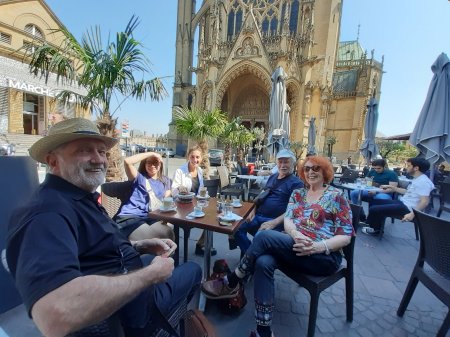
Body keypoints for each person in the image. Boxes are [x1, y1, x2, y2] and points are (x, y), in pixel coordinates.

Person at [6, 118, 201, 337]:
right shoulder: (45, 213)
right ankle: (168, 327)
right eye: (84, 150)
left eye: (102, 152)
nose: (98, 159)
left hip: (127, 278)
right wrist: (150, 275)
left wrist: (138, 245)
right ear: (53, 162)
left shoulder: (78, 197)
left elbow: (90, 247)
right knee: (194, 269)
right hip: (135, 310)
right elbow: (55, 314)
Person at [201, 155, 354, 337]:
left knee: (264, 236)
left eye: (316, 168)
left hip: (323, 257)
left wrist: (316, 246)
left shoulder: (336, 196)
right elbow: (288, 219)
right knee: (263, 262)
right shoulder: (299, 194)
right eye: (307, 169)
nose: (311, 172)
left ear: (325, 171)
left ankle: (233, 280)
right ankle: (263, 332)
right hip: (296, 248)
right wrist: (295, 233)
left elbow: (345, 237)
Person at [234, 149, 303, 256]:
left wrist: (274, 222)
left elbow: (294, 209)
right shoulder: (273, 177)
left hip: (275, 221)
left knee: (259, 238)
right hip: (258, 216)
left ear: (293, 163)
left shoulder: (296, 183)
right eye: (280, 162)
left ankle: (249, 261)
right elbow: (262, 196)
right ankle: (251, 258)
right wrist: (253, 209)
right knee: (236, 228)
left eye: (286, 162)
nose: (283, 165)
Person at [361, 157, 435, 236]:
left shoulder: (423, 182)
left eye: (409, 166)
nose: (406, 168)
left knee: (374, 208)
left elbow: (425, 201)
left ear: (416, 168)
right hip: (403, 202)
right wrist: (393, 188)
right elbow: (408, 192)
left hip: (408, 208)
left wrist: (412, 214)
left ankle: (376, 230)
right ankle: (371, 223)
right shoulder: (418, 179)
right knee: (374, 201)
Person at [115, 151, 175, 241]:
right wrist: (152, 153)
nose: (152, 165)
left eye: (155, 162)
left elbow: (169, 196)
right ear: (144, 164)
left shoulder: (165, 180)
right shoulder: (139, 177)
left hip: (150, 217)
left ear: (160, 164)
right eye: (149, 162)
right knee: (154, 238)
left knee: (168, 233)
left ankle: (168, 255)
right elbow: (127, 161)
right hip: (131, 216)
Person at [172, 145, 216, 256]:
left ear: (201, 158)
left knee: (213, 217)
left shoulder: (200, 171)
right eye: (192, 157)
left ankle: (201, 244)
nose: (195, 160)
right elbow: (173, 191)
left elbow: (200, 190)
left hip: (196, 205)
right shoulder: (180, 171)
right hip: (182, 207)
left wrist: (204, 195)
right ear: (188, 157)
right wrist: (179, 189)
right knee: (208, 218)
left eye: (197, 157)